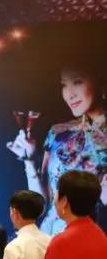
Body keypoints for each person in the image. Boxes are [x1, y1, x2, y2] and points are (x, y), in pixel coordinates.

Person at [7, 60, 107, 235]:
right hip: (50, 236)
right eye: (64, 85)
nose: (70, 94)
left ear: (99, 81)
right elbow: (42, 201)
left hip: (92, 238)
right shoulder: (58, 133)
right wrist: (29, 160)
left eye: (77, 82)